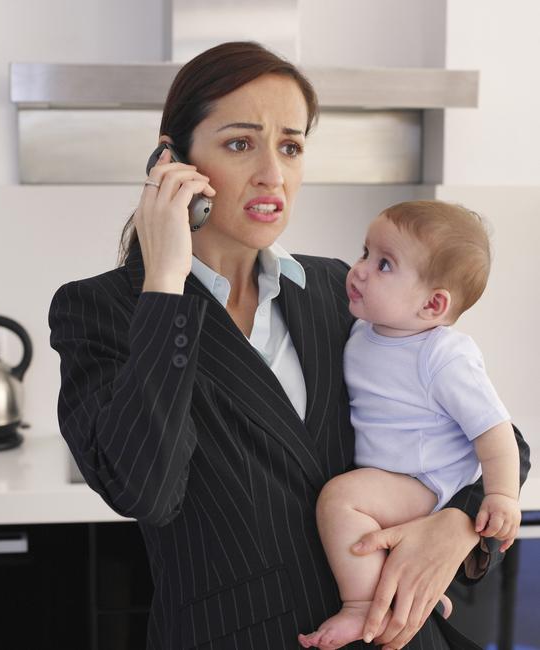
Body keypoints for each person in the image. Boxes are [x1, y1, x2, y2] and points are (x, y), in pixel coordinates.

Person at [48, 42, 530, 650]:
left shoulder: (342, 290)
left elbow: (497, 435)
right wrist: (165, 286)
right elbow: (145, 489)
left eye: (291, 146)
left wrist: (456, 524)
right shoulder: (102, 309)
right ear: (173, 158)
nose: (272, 175)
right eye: (240, 143)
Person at [297, 201, 523, 649]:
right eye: (364, 252)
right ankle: (415, 595)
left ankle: (363, 608)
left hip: (425, 479)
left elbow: (496, 431)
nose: (359, 270)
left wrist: (500, 496)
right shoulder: (363, 331)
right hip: (394, 475)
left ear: (433, 303)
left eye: (383, 264)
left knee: (341, 499)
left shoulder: (443, 355)